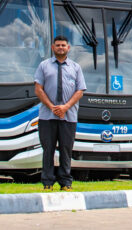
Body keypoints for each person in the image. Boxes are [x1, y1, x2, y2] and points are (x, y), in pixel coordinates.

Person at [34, 35, 86, 191]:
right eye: (58, 45)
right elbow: (38, 89)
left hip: (68, 117)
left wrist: (65, 107)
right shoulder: (44, 66)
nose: (61, 47)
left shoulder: (76, 67)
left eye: (63, 45)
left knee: (66, 149)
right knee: (48, 149)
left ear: (68, 48)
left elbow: (80, 90)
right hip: (47, 116)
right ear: (52, 47)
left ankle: (65, 182)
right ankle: (47, 182)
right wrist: (52, 107)